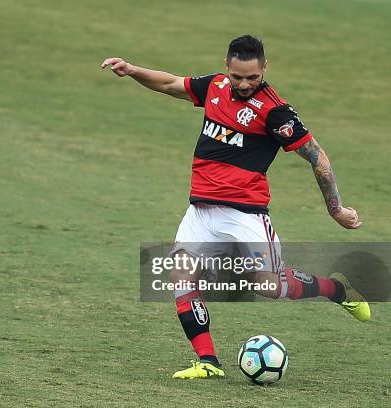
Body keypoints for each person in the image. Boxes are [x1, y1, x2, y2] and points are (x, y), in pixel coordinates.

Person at [101, 35, 369, 379]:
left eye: (252, 78)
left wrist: (336, 208)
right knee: (180, 276)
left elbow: (317, 156)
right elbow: (169, 83)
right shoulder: (213, 86)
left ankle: (337, 289)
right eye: (237, 76)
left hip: (246, 214)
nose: (244, 84)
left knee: (268, 286)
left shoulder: (276, 112)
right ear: (227, 67)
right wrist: (132, 69)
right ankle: (208, 362)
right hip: (200, 210)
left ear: (264, 69)